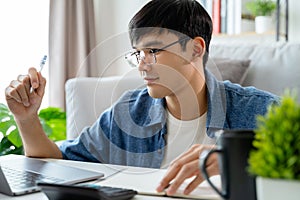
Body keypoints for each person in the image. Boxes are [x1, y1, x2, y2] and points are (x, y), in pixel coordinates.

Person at [5, 0, 279, 196]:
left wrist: (237, 159)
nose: (142, 64)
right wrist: (26, 118)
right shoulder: (128, 112)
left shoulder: (260, 110)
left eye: (154, 50)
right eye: (138, 53)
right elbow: (59, 162)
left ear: (195, 49)